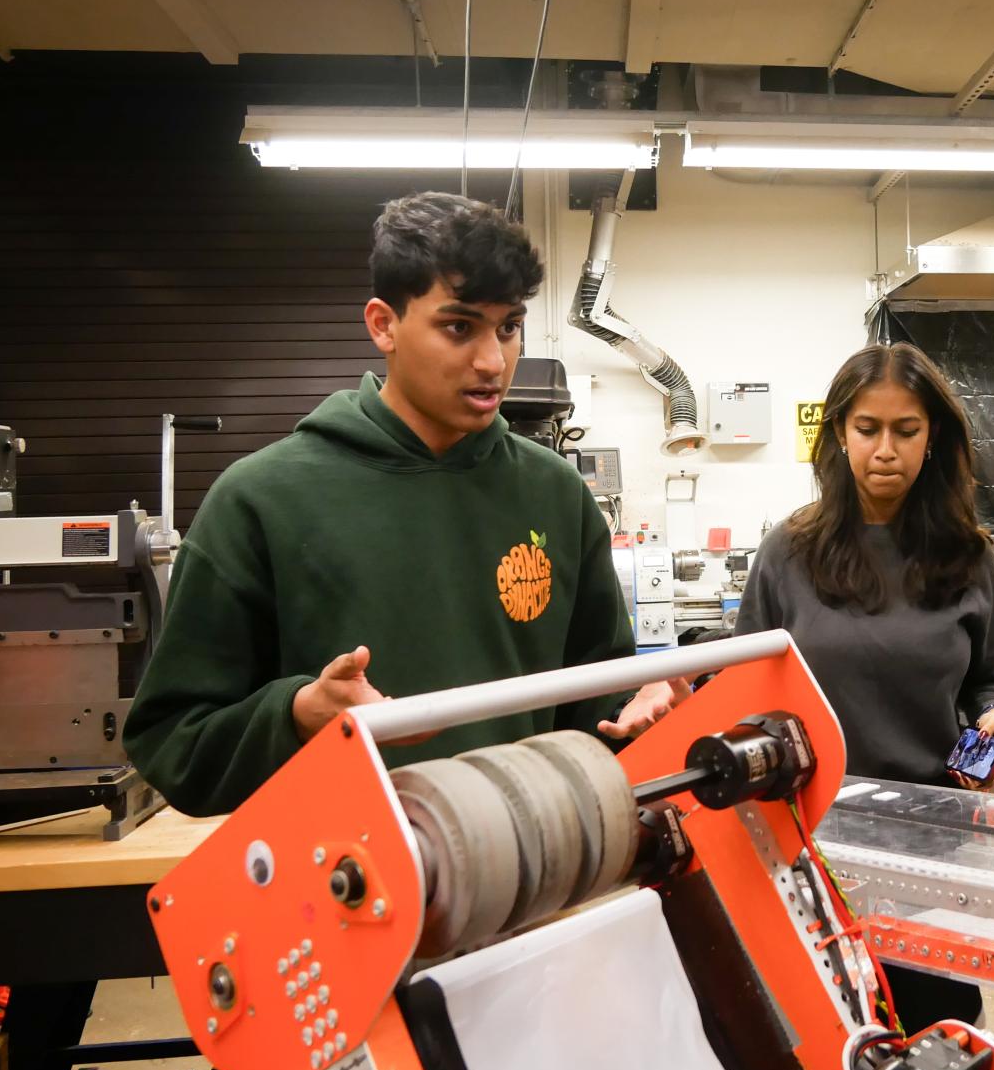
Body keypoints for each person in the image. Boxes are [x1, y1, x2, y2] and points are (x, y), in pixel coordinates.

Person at [126, 190, 675, 817]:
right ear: (383, 324)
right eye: (459, 327)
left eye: (509, 327)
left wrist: (637, 710)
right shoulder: (261, 499)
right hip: (345, 895)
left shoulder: (556, 495)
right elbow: (173, 742)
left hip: (528, 881)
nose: (494, 361)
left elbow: (594, 702)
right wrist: (299, 714)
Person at [735, 341, 994, 1029]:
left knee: (935, 1027)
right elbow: (739, 691)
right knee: (828, 1027)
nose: (884, 450)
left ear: (933, 440)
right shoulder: (787, 552)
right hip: (814, 838)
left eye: (905, 430)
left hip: (932, 840)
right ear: (838, 434)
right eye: (867, 430)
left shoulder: (967, 554)